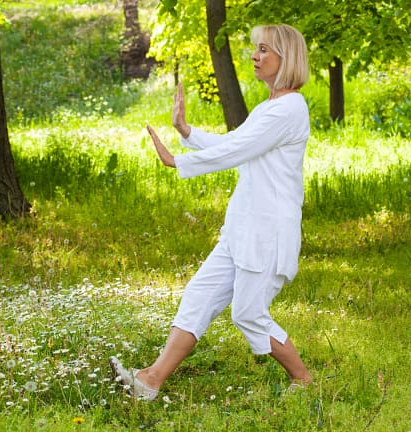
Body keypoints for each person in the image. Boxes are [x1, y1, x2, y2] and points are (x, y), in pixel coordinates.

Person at [111, 23, 313, 401]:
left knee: (248, 314)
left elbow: (236, 150)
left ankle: (304, 381)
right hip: (243, 228)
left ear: (286, 59)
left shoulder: (288, 109)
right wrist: (187, 132)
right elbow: (238, 145)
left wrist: (179, 162)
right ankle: (150, 380)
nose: (255, 56)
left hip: (266, 234)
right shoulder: (272, 106)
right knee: (199, 295)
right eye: (256, 49)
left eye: (264, 50)